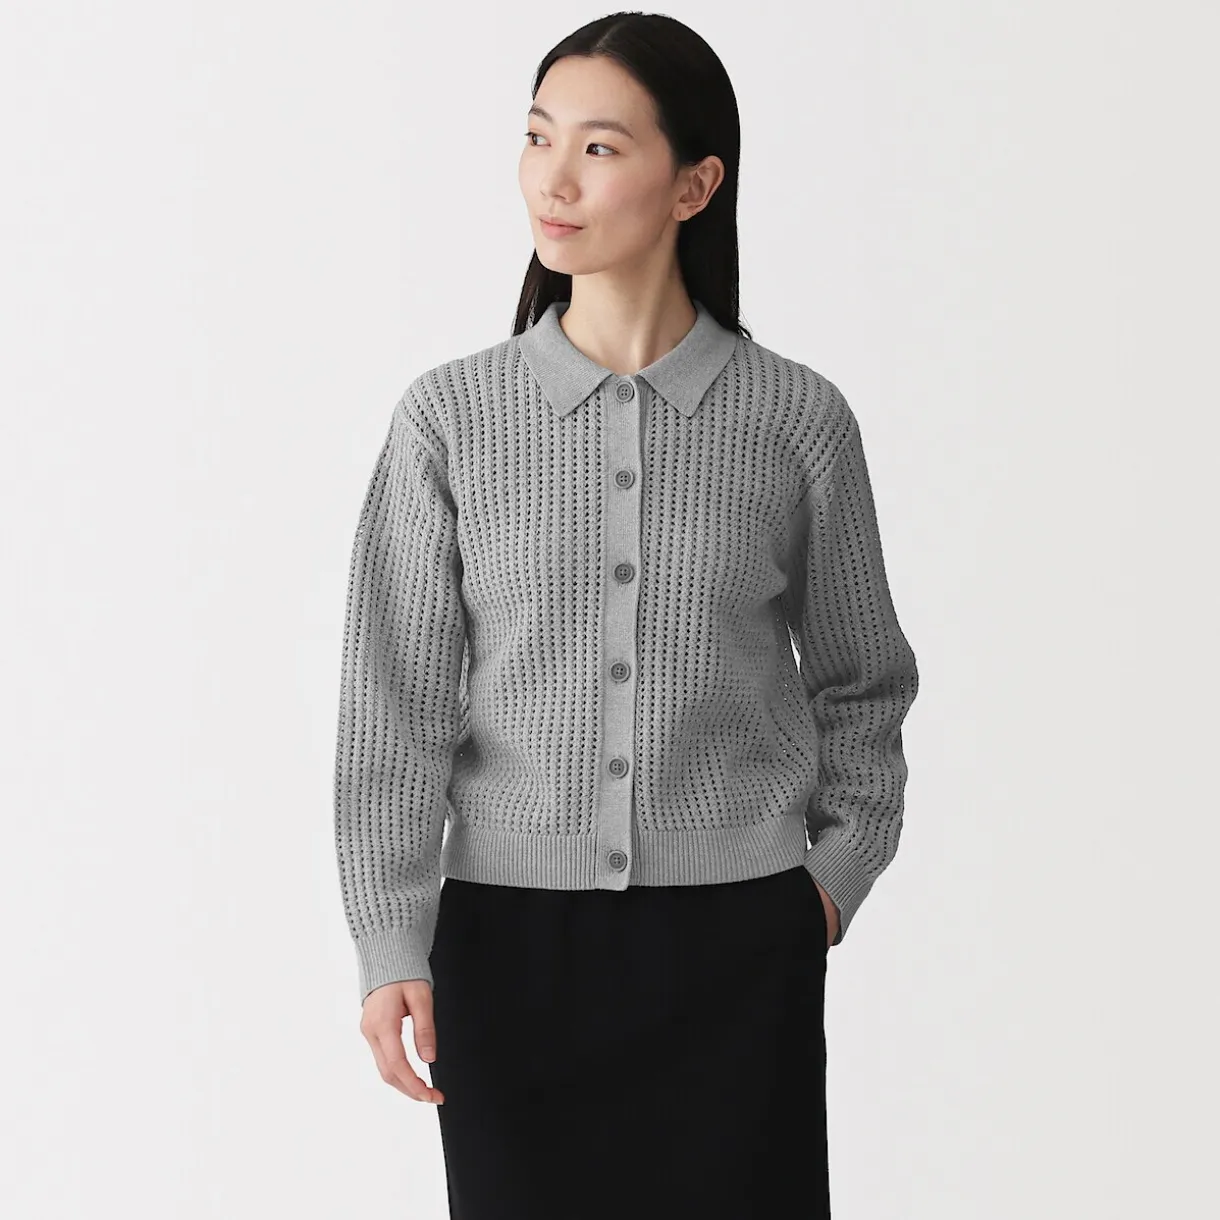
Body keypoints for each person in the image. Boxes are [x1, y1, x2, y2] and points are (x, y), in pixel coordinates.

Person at [333, 11, 919, 1219]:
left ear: (694, 184)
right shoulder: (449, 420)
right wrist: (389, 939)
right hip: (506, 953)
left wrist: (824, 885)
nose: (552, 179)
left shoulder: (795, 422)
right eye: (536, 136)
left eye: (598, 148)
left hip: (738, 952)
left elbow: (862, 680)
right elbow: (390, 706)